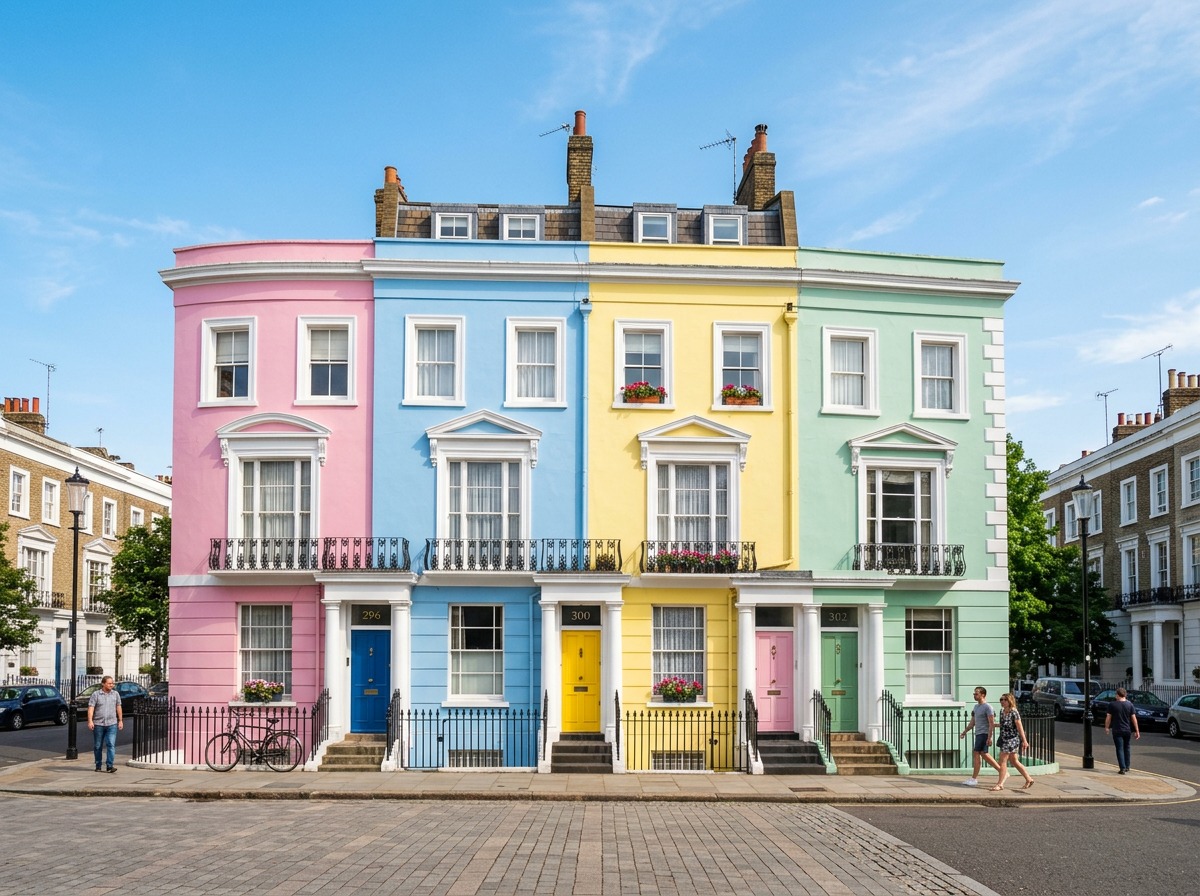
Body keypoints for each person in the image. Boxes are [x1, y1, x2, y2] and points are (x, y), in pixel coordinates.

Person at [959, 686, 1002, 786]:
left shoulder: (988, 707)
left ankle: (974, 779)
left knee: (977, 753)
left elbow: (991, 723)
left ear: (983, 695)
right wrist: (965, 731)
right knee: (983, 754)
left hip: (984, 733)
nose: (974, 695)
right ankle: (1002, 771)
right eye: (974, 693)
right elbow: (973, 722)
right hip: (978, 733)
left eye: (976, 693)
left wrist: (989, 737)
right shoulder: (976, 707)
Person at [990, 692, 1034, 791]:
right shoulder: (1002, 711)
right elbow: (1004, 725)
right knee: (1014, 761)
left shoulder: (1014, 712)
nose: (1002, 702)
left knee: (1002, 761)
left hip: (1012, 740)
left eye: (1004, 700)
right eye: (1001, 700)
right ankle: (1029, 779)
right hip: (1004, 739)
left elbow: (1019, 727)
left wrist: (1025, 741)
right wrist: (995, 725)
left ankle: (1000, 784)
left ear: (1009, 701)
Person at [87, 675, 123, 772]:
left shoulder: (115, 694)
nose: (112, 685)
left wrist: (120, 720)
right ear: (103, 684)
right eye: (109, 683)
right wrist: (90, 721)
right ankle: (98, 765)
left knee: (110, 744)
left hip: (112, 724)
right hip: (98, 724)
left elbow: (118, 707)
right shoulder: (96, 694)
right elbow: (91, 708)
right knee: (98, 746)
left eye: (112, 683)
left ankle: (109, 766)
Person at [1104, 686, 1140, 774]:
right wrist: (1137, 731)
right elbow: (1133, 718)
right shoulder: (1130, 705)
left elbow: (1108, 717)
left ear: (1118, 695)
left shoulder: (1112, 705)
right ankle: (1127, 766)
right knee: (1127, 748)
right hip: (1127, 730)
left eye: (1116, 694)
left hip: (1117, 730)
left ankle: (1122, 768)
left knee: (1119, 748)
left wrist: (1107, 727)